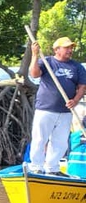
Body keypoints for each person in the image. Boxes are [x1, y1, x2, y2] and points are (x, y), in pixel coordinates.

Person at [27, 37, 86, 176]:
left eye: (71, 48)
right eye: (67, 48)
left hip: (66, 110)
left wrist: (76, 100)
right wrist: (34, 55)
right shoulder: (47, 62)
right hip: (45, 108)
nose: (70, 50)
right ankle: (36, 166)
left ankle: (52, 168)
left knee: (60, 141)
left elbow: (82, 86)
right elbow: (34, 74)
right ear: (57, 49)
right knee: (40, 138)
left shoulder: (77, 66)